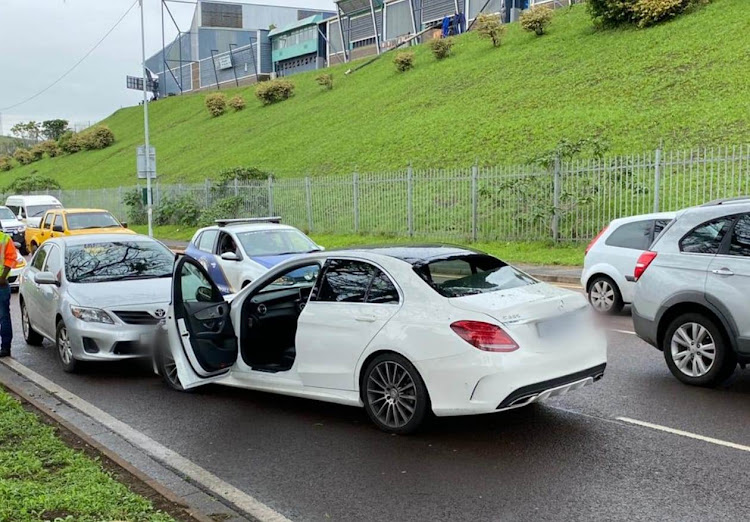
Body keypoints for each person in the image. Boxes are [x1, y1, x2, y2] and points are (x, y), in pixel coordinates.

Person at [0, 232, 19, 358]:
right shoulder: (4, 238)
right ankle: (5, 348)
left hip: (1, 284)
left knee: (4, 317)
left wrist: (2, 277)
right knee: (4, 316)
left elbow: (11, 258)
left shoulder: (4, 238)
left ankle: (5, 347)